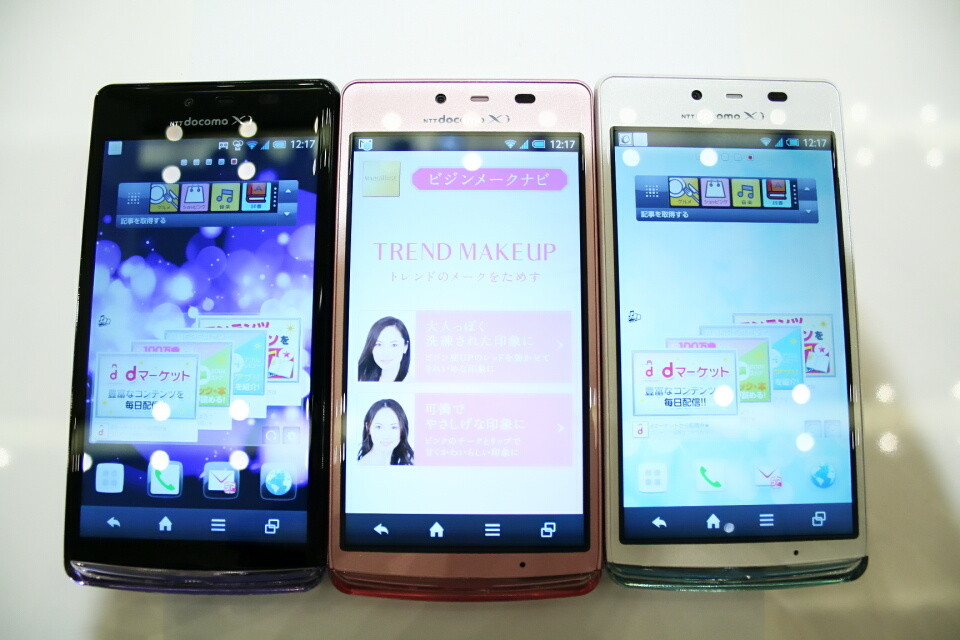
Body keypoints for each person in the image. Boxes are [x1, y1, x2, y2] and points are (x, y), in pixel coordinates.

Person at [357, 399, 414, 465]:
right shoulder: (365, 466)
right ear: (368, 428)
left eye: (393, 427)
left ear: (402, 429)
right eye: (379, 427)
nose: (386, 435)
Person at [357, 316, 411, 382]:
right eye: (378, 344)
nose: (385, 353)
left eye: (394, 345)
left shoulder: (413, 382)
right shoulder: (361, 379)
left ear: (405, 346)